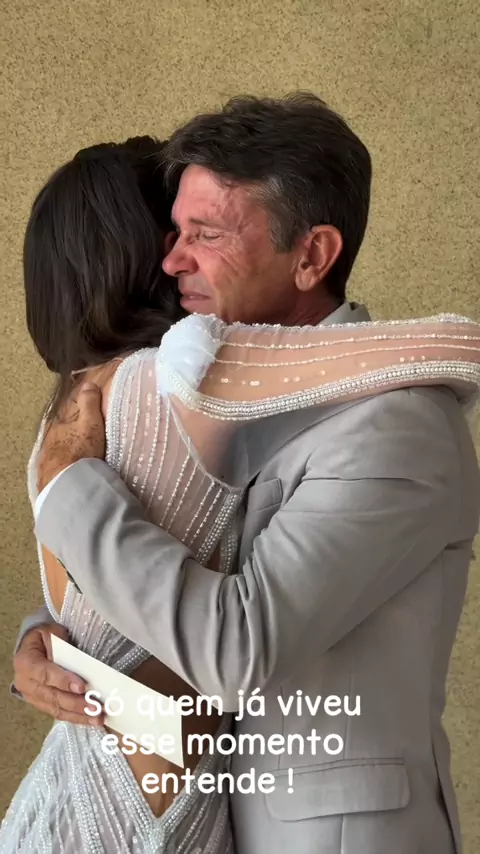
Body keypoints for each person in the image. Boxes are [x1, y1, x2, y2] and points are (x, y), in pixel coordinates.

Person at [8, 95, 480, 854]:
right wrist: (45, 643)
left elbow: (236, 649)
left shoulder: (395, 424)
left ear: (312, 256)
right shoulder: (215, 392)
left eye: (207, 234)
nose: (172, 261)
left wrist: (66, 480)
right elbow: (171, 561)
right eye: (174, 232)